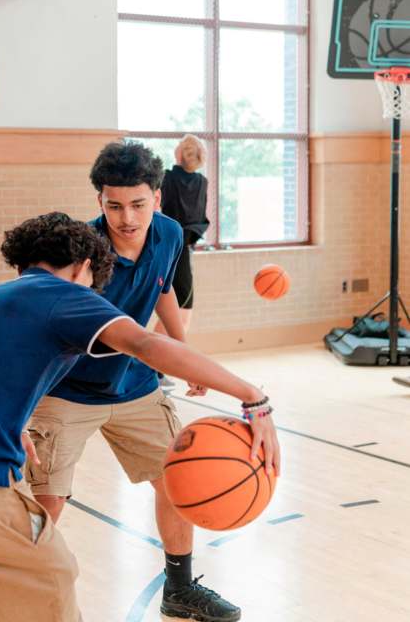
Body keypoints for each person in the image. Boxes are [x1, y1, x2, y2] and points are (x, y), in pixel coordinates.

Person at [0, 211, 279, 622]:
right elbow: (144, 343)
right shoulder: (61, 294)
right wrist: (252, 397)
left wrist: (7, 423)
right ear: (84, 268)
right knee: (53, 584)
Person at [25, 142, 276, 622]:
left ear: (157, 198)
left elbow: (160, 289)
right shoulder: (79, 252)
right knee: (48, 503)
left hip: (136, 385)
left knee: (176, 482)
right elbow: (47, 327)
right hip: (66, 389)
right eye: (114, 205)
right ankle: (26, 602)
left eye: (138, 204)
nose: (126, 217)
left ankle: (179, 590)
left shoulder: (170, 234)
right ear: (99, 201)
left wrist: (183, 352)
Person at [158, 134, 209, 333]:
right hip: (182, 248)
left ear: (179, 153)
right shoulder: (202, 182)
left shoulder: (167, 177)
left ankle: (152, 360)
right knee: (181, 310)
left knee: (177, 310)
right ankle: (150, 361)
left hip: (170, 247)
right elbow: (199, 219)